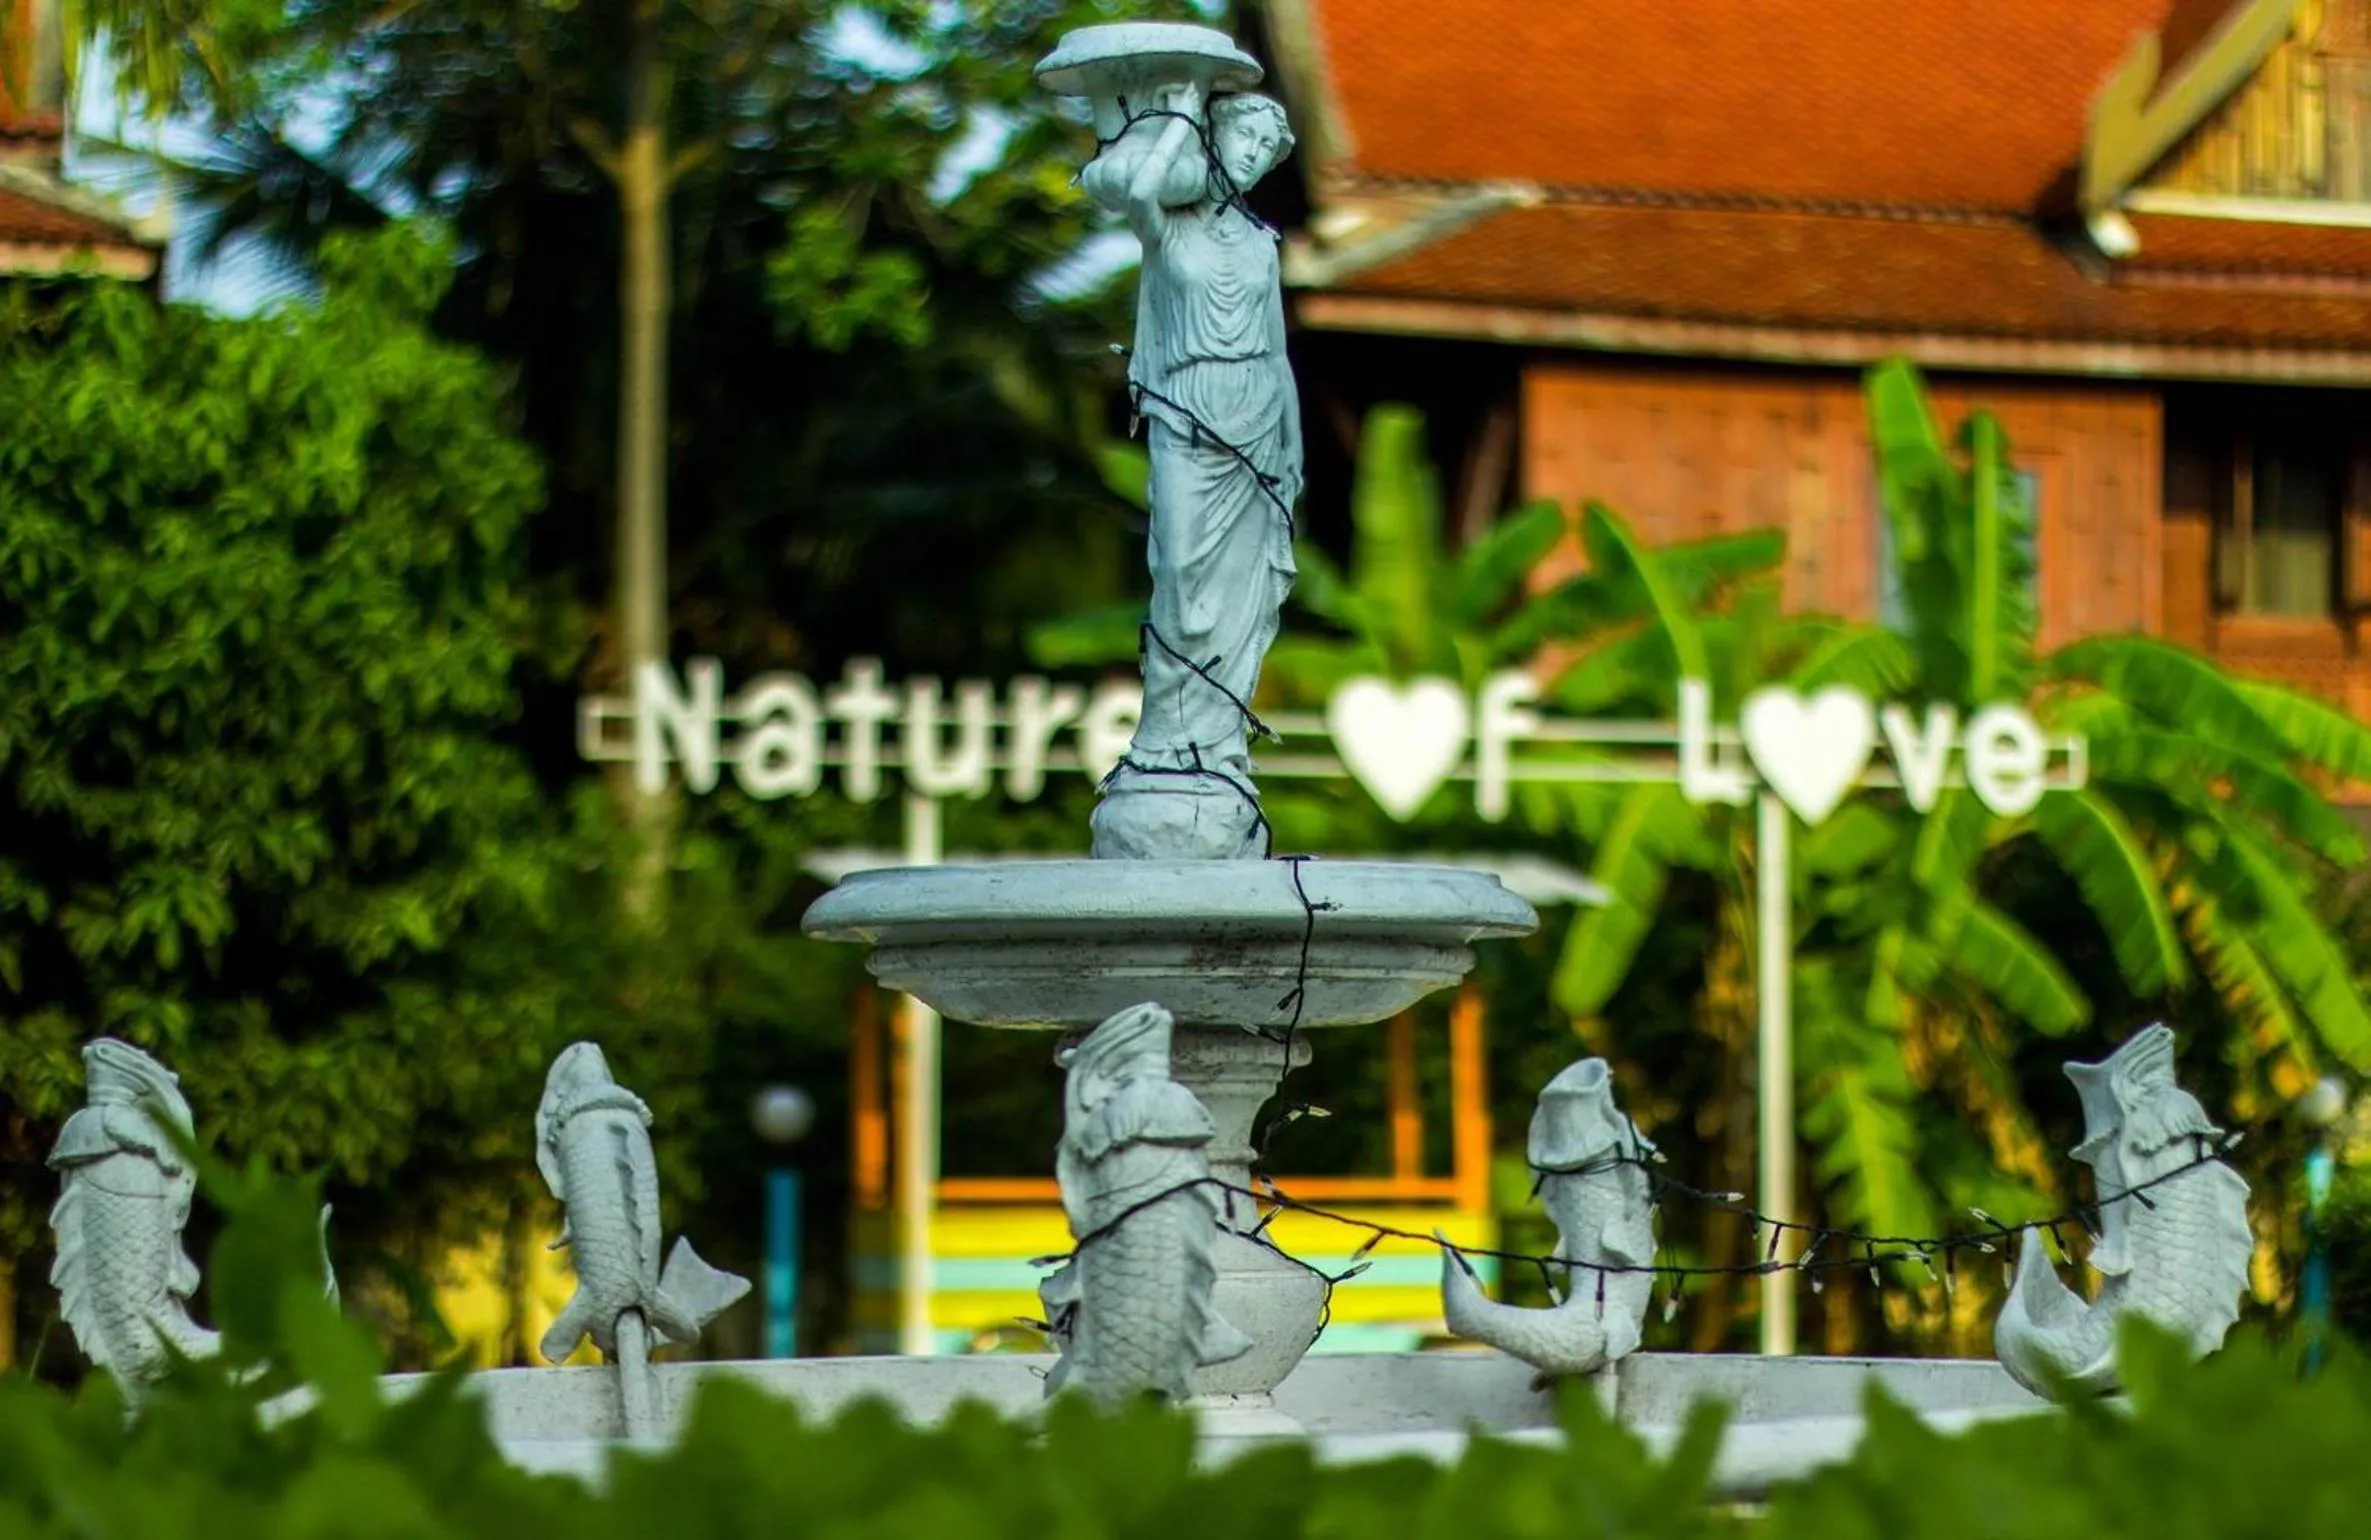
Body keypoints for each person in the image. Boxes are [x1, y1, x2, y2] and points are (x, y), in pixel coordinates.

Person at [1088, 81, 1302, 857]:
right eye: (1240, 142)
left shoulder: (1258, 242)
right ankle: (1164, 748)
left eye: (1262, 152)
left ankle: (1216, 751)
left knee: (1239, 594)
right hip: (1187, 404)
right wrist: (1179, 116)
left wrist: (1294, 454)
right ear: (1215, 140)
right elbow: (1139, 186)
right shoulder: (1167, 228)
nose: (1248, 160)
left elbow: (1278, 356)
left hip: (1254, 411)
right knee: (1180, 573)